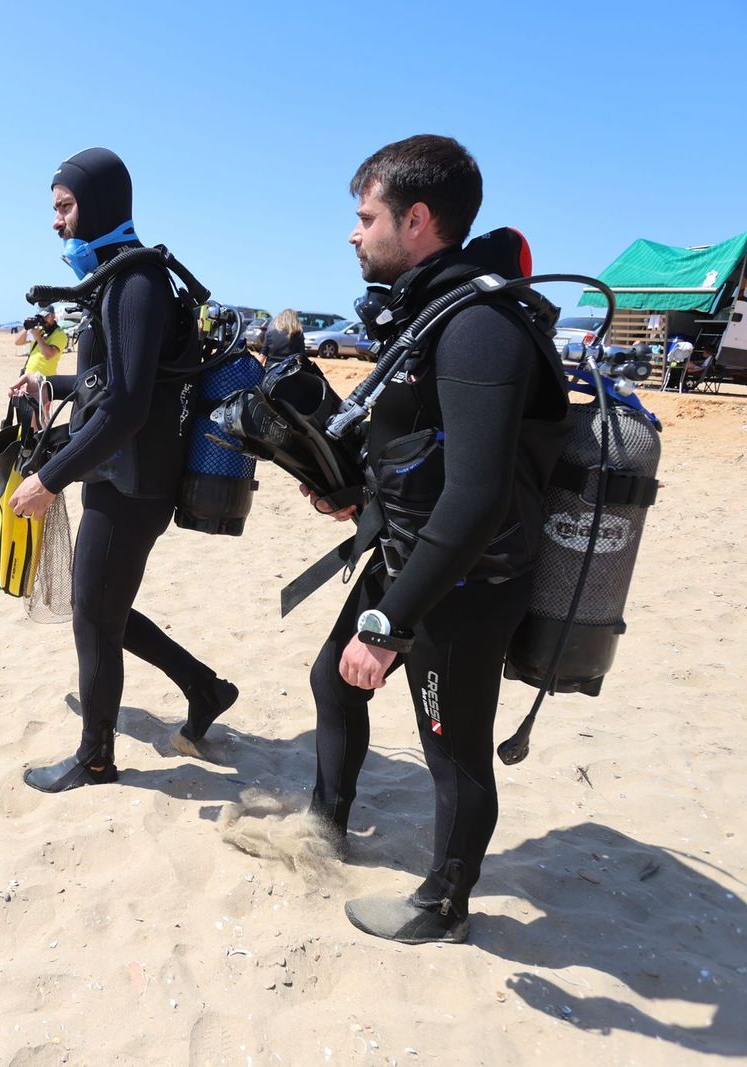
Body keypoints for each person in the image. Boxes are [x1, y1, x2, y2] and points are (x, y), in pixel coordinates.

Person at [298, 135, 569, 944]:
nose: (354, 232)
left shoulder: (481, 325)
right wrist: (352, 492)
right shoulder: (431, 312)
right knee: (332, 679)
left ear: (417, 219)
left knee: (452, 749)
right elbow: (421, 448)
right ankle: (325, 824)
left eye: (366, 215)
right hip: (411, 554)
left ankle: (443, 902)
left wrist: (390, 624)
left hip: (465, 577)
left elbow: (479, 495)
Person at [7, 147, 237, 793]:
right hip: (120, 473)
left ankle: (96, 759)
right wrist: (49, 383)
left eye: (64, 206)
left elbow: (131, 405)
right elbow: (109, 384)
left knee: (93, 614)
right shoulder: (116, 277)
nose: (56, 221)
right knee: (104, 606)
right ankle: (204, 686)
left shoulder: (134, 284)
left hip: (133, 482)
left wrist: (48, 479)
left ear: (99, 203)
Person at [18, 306, 68, 377]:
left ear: (53, 315)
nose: (43, 319)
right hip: (28, 376)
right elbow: (18, 342)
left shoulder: (59, 334)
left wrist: (38, 337)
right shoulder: (39, 330)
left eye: (46, 316)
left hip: (44, 378)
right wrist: (27, 327)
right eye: (40, 317)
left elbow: (48, 355)